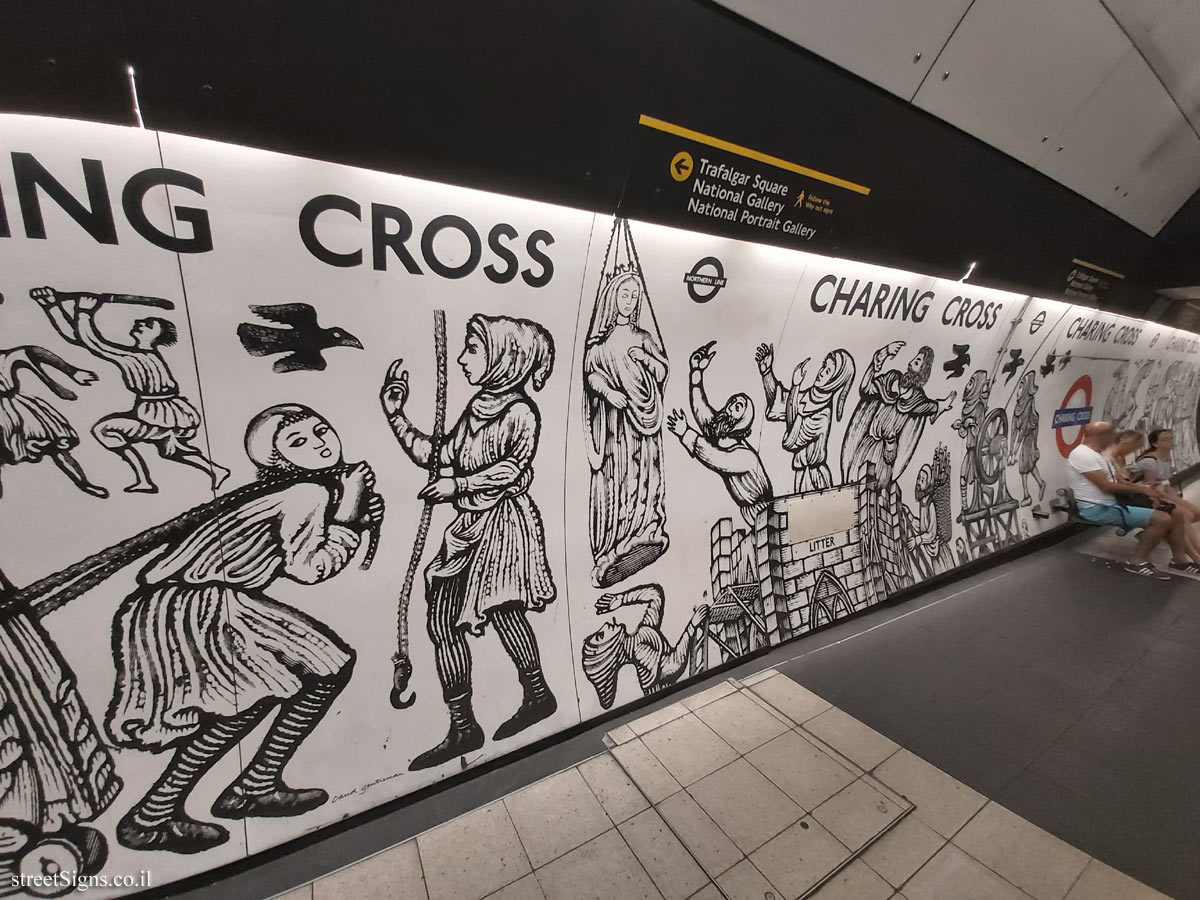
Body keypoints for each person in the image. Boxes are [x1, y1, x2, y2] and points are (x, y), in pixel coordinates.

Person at [105, 405, 378, 852]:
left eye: (321, 429)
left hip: (199, 601)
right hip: (197, 605)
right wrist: (348, 511)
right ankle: (156, 814)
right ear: (276, 458)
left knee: (313, 672)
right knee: (265, 692)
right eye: (298, 442)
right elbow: (309, 568)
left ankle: (251, 785)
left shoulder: (288, 488)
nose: (319, 442)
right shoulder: (306, 492)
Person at [381, 315, 559, 771]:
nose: (463, 358)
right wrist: (396, 415)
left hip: (503, 524)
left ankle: (538, 695)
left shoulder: (520, 412)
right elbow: (438, 454)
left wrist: (456, 486)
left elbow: (510, 470)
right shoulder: (477, 406)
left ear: (506, 356)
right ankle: (464, 725)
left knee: (503, 611)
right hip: (467, 527)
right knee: (442, 622)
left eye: (473, 349)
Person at [32, 287, 229, 494]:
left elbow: (93, 342)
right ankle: (210, 470)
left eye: (149, 324)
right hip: (156, 411)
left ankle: (147, 479)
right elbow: (79, 339)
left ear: (157, 335)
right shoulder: (137, 354)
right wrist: (51, 305)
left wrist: (84, 312)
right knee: (169, 447)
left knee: (108, 430)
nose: (140, 323)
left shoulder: (138, 358)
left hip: (159, 412)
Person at [583, 268, 670, 587]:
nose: (629, 300)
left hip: (644, 422)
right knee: (618, 481)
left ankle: (646, 532)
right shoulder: (600, 344)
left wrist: (645, 360)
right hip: (615, 426)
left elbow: (661, 371)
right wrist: (609, 392)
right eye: (624, 294)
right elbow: (591, 375)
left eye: (634, 296)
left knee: (647, 475)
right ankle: (615, 544)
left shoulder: (643, 338)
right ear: (612, 297)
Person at [0, 289, 107, 498]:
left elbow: (34, 352)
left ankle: (84, 483)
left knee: (56, 447)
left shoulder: (9, 356)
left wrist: (72, 371)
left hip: (16, 411)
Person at [1066, 421, 1197, 579]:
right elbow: (1106, 486)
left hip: (1115, 502)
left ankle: (1179, 561)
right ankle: (1137, 562)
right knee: (1162, 520)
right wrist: (1141, 489)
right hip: (1097, 508)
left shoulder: (1098, 454)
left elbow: (1116, 481)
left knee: (1175, 512)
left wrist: (1141, 486)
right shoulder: (1082, 455)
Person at [666, 342, 772, 525]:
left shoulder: (744, 455)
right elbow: (703, 413)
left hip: (765, 512)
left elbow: (716, 458)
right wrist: (696, 373)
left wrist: (686, 433)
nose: (730, 406)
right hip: (750, 513)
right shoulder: (724, 437)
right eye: (732, 402)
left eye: (738, 407)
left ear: (742, 421)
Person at [841, 341, 956, 487]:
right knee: (853, 485)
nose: (911, 362)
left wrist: (943, 405)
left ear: (923, 370)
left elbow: (931, 407)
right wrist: (881, 356)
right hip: (867, 445)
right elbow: (866, 388)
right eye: (915, 358)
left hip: (885, 455)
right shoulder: (892, 379)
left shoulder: (917, 398)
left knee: (873, 493)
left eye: (918, 361)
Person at [580, 584, 710, 708]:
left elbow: (655, 595)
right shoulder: (639, 650)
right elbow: (674, 666)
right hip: (662, 702)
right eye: (601, 635)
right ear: (608, 651)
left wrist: (621, 599)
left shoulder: (642, 633)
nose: (605, 626)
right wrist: (692, 625)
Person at [755, 343, 854, 493]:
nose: (821, 372)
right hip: (802, 475)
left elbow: (793, 440)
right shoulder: (808, 396)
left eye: (828, 371)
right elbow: (781, 401)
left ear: (835, 381)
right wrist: (767, 372)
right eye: (823, 366)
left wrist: (795, 387)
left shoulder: (822, 414)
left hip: (815, 479)